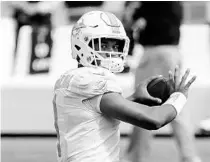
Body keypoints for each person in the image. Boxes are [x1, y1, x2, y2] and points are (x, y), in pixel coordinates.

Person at [52, 11, 196, 162]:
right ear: (82, 43)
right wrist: (179, 97)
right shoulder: (91, 80)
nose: (112, 51)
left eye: (115, 45)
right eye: (104, 44)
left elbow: (99, 114)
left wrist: (133, 98)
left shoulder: (70, 79)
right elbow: (154, 120)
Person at [126, 2, 202, 162]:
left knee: (143, 104)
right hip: (172, 52)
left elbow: (133, 20)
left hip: (155, 52)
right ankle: (189, 156)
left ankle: (136, 157)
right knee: (177, 103)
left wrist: (133, 10)